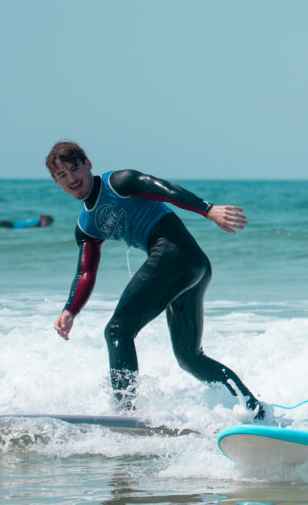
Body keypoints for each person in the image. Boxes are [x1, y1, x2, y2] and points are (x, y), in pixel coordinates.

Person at [46, 140, 265, 418]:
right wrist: (70, 309)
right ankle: (254, 410)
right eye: (62, 176)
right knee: (190, 358)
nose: (72, 179)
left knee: (117, 330)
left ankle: (124, 413)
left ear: (88, 165)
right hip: (192, 266)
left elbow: (166, 190)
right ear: (57, 183)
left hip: (176, 255)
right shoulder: (86, 226)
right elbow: (86, 272)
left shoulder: (118, 182)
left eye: (74, 169)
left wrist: (208, 209)